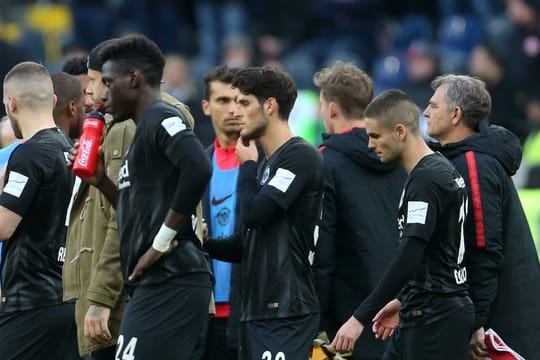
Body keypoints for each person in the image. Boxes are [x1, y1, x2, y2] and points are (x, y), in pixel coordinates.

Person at [86, 34, 212, 359]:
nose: (101, 95)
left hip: (174, 279)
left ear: (133, 78)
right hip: (154, 284)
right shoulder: (142, 133)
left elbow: (198, 166)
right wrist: (102, 182)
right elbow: (137, 211)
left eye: (108, 82)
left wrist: (160, 242)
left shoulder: (161, 115)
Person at [332, 89, 473, 359]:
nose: (370, 145)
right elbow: (436, 252)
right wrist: (402, 299)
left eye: (374, 136)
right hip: (427, 307)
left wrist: (359, 317)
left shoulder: (427, 180)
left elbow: (410, 255)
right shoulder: (437, 169)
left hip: (436, 317)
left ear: (399, 131)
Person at [425, 74, 540, 360]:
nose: (425, 112)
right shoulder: (462, 159)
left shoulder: (474, 164)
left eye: (433, 106)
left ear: (455, 115)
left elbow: (483, 247)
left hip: (500, 323)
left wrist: (477, 321)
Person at [311, 61, 405, 359]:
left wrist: (315, 319)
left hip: (349, 320)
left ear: (332, 109)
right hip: (406, 309)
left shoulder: (324, 163)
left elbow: (321, 249)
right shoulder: (405, 156)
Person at [232, 66, 322, 360]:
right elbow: (246, 241)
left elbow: (256, 214)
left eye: (244, 103)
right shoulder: (264, 163)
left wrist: (245, 166)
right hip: (256, 309)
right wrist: (197, 240)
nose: (236, 112)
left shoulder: (300, 156)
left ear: (269, 105)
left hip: (287, 309)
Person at [62, 38, 135, 360]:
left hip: (123, 299)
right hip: (110, 295)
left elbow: (124, 221)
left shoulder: (131, 128)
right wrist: (100, 180)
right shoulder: (108, 126)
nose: (89, 92)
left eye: (94, 81)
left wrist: (101, 298)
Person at [0, 61, 77, 359]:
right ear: (54, 101)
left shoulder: (29, 153)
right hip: (66, 298)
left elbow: (4, 227)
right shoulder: (67, 148)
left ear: (12, 103)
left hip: (32, 302)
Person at [199, 65, 241, 359]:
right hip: (206, 312)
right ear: (206, 106)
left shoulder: (268, 166)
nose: (233, 109)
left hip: (252, 311)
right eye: (223, 101)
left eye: (239, 101)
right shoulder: (196, 167)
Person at [51, 72, 86, 139]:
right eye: (83, 105)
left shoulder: (27, 144)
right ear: (72, 108)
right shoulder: (70, 149)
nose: (85, 113)